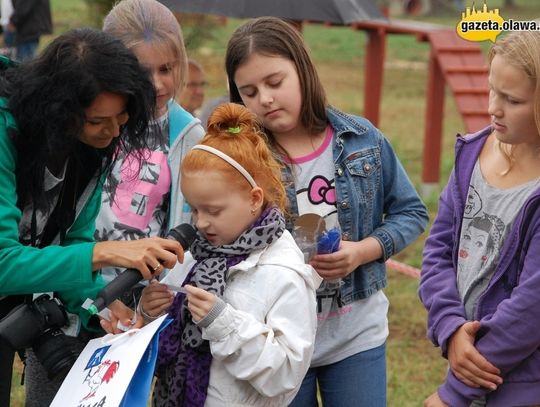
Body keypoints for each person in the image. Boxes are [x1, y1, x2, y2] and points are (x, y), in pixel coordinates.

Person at [224, 16, 428, 407]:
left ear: (302, 72)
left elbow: (411, 212)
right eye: (248, 92)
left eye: (275, 82)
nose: (264, 99)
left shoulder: (362, 140)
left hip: (357, 337)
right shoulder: (241, 161)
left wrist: (361, 251)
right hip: (278, 342)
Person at [0, 28, 185, 407]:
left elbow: (74, 241)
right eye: (99, 120)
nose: (114, 131)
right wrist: (108, 252)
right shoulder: (6, 132)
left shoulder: (90, 144)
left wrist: (98, 303)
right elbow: (3, 262)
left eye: (122, 117)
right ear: (58, 110)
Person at [139, 102, 322, 406]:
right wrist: (150, 314)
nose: (200, 222)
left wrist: (223, 323)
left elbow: (286, 376)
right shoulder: (198, 253)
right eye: (194, 209)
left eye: (213, 210)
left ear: (253, 199)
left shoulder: (284, 273)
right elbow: (166, 345)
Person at [419, 30, 540, 407]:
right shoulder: (472, 152)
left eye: (512, 100)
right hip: (465, 358)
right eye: (492, 90)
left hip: (520, 386)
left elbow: (531, 308)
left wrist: (455, 392)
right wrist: (451, 328)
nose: (493, 108)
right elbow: (438, 249)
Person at [97, 0, 204, 297]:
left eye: (166, 69)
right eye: (143, 73)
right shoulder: (96, 121)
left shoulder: (188, 134)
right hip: (82, 285)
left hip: (146, 294)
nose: (156, 84)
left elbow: (191, 223)